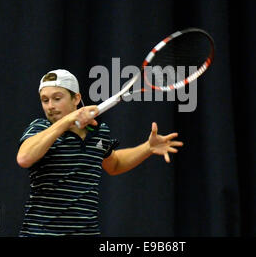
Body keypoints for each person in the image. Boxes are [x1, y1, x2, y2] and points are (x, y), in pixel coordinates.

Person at [17, 69, 183, 236]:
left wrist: (148, 148)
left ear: (76, 98)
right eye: (45, 100)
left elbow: (115, 164)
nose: (50, 106)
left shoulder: (98, 132)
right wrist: (67, 121)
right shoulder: (40, 128)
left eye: (57, 98)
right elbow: (24, 158)